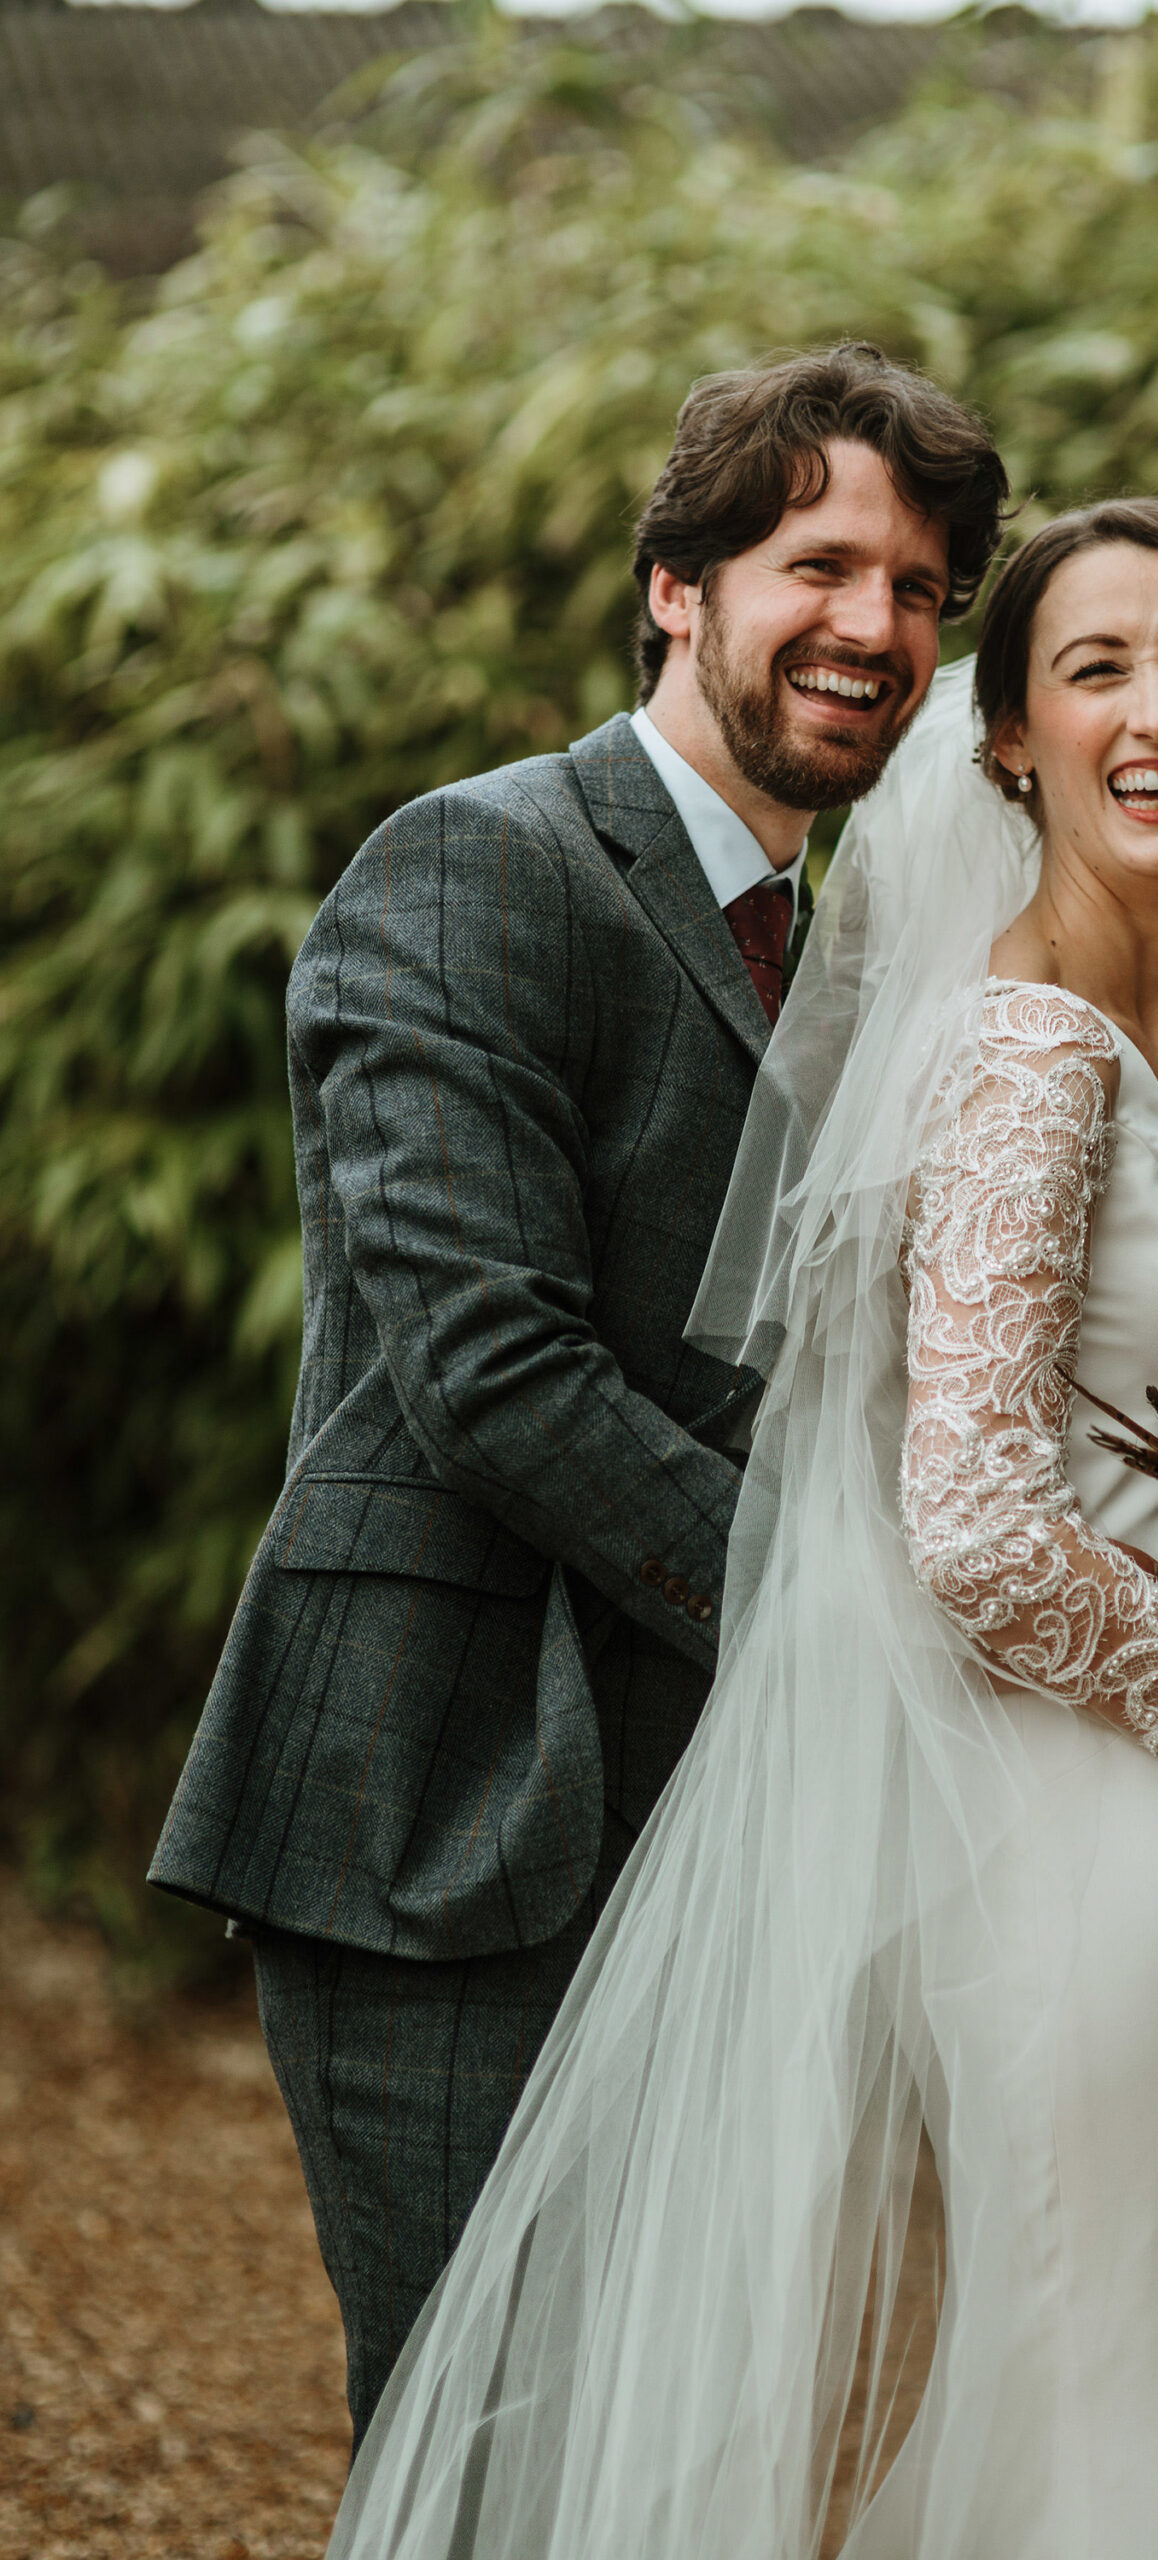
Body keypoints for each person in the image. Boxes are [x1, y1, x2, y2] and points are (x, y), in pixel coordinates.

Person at [322, 500, 1158, 2560]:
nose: (1157, 709)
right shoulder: (1028, 1052)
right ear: (1008, 743)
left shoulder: (1113, 1031)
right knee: (1127, 2416)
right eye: (1098, 668)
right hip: (1083, 1838)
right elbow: (971, 1529)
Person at [145, 342, 1010, 2449]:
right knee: (492, 2439)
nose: (872, 628)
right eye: (819, 562)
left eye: (916, 591)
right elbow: (489, 1364)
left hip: (721, 1831)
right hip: (455, 1804)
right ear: (673, 586)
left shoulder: (858, 956)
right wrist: (848, 1637)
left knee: (676, 2447)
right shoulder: (472, 869)